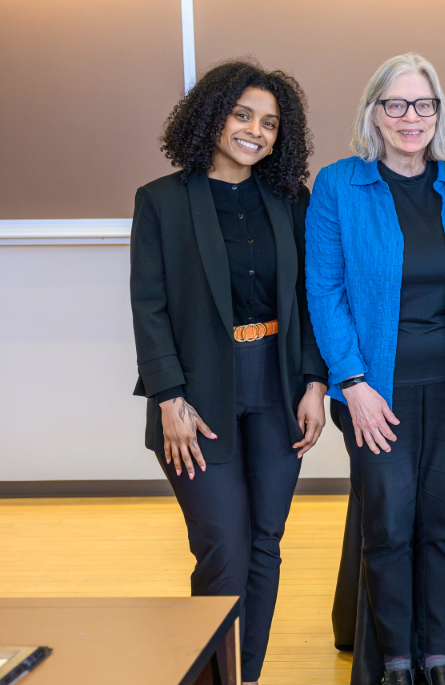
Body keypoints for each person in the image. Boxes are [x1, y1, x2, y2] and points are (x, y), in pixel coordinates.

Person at [130, 60, 329, 685]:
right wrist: (168, 397)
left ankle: (245, 677)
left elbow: (309, 296)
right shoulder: (161, 200)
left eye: (270, 123)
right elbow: (149, 303)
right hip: (197, 397)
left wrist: (315, 383)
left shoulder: (291, 200)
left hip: (278, 389)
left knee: (265, 545)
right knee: (223, 550)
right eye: (243, 115)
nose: (256, 131)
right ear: (211, 116)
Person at [305, 53, 445, 685]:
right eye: (395, 104)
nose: (409, 118)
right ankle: (394, 662)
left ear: (438, 112)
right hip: (374, 389)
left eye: (423, 104)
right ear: (374, 113)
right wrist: (354, 384)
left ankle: (438, 658)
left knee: (444, 525)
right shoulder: (340, 184)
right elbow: (325, 289)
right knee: (387, 526)